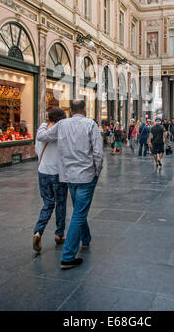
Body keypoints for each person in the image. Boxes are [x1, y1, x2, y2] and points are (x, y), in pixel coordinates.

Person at [37, 100, 103, 270]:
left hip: (67, 176)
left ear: (71, 110)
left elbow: (42, 137)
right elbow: (97, 152)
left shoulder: (62, 125)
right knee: (79, 213)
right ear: (84, 109)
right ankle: (67, 257)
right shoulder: (91, 124)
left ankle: (86, 239)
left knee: (79, 209)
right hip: (86, 176)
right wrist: (97, 172)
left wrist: (44, 123)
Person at [33, 107, 68, 253]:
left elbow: (37, 149)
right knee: (60, 204)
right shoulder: (61, 132)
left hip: (43, 171)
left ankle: (38, 232)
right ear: (61, 119)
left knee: (47, 203)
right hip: (58, 173)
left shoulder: (41, 130)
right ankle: (59, 235)